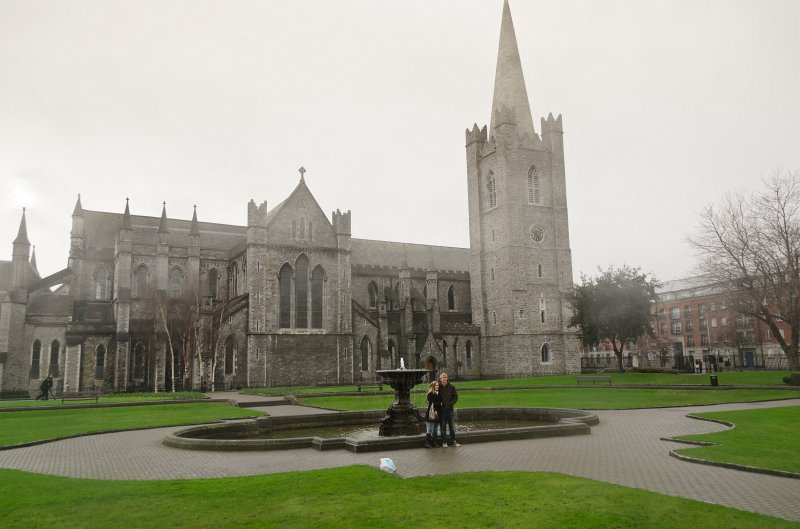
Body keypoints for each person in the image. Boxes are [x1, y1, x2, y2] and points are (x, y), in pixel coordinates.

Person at [438, 372, 460, 447]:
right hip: (442, 411)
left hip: (450, 410)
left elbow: (455, 397)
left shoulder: (452, 387)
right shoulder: (438, 387)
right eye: (442, 378)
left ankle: (453, 441)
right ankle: (444, 442)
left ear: (447, 378)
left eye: (445, 377)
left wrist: (451, 403)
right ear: (440, 379)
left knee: (452, 427)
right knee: (443, 427)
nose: (443, 379)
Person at [424, 381, 443, 448]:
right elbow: (432, 404)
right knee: (429, 429)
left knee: (435, 429)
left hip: (437, 414)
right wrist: (440, 404)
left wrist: (439, 404)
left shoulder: (439, 393)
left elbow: (439, 403)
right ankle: (427, 443)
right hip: (431, 414)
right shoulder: (430, 394)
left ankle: (434, 442)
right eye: (435, 385)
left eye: (438, 385)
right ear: (433, 386)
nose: (437, 386)